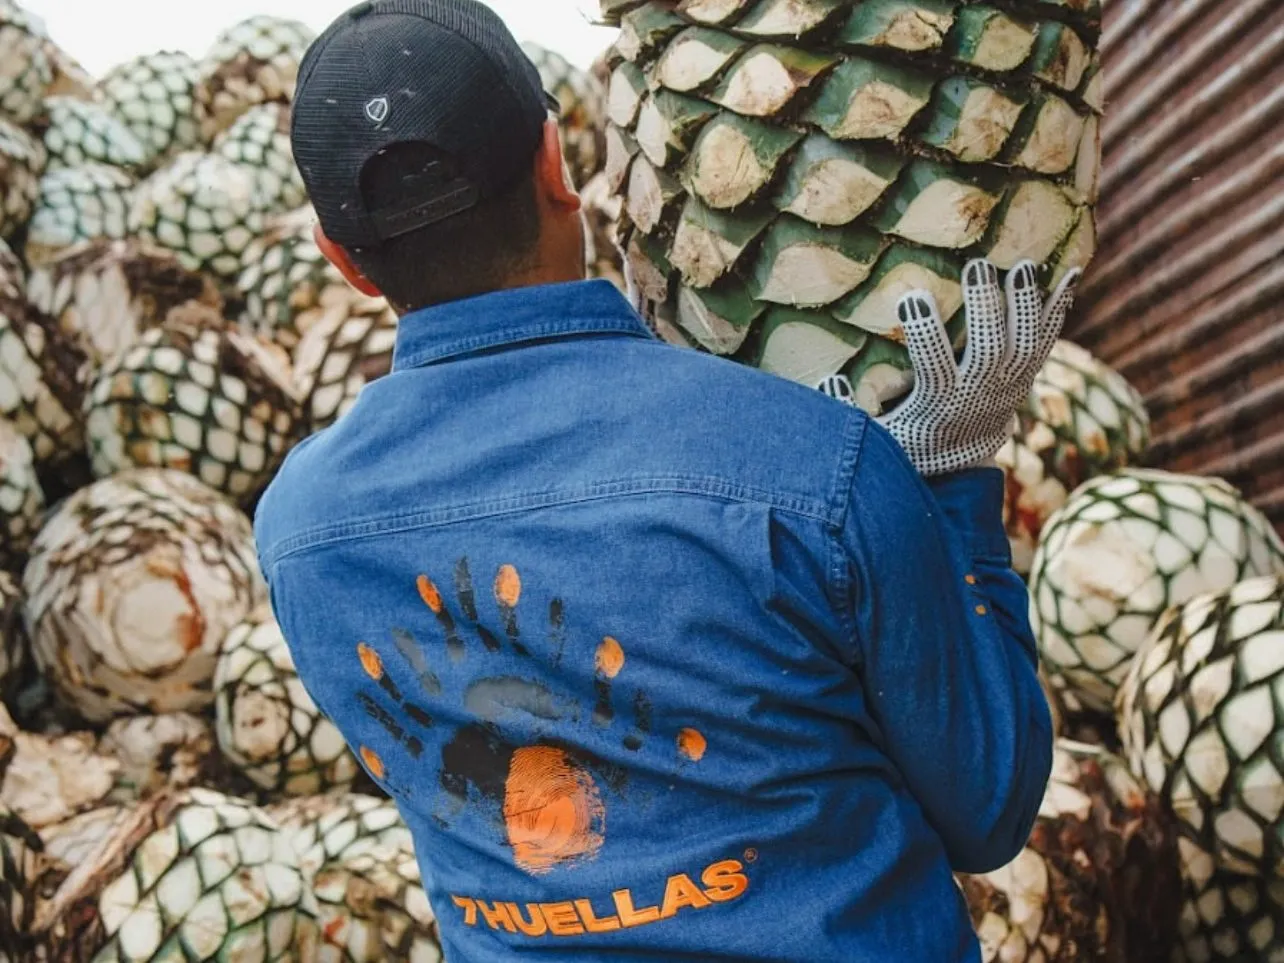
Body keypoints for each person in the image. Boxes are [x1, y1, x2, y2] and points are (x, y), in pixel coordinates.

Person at [256, 1, 1072, 959]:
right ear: (558, 166)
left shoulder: (299, 529)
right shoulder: (818, 464)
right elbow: (990, 807)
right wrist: (952, 481)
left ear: (345, 260)